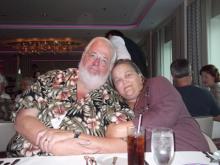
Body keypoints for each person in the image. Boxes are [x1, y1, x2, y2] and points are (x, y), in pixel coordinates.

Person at [7, 37, 134, 157]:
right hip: (25, 159)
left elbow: (128, 145)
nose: (96, 63)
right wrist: (52, 145)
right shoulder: (52, 79)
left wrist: (75, 137)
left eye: (104, 60)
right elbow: (23, 118)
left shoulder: (113, 99)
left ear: (110, 68)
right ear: (83, 56)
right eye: (93, 55)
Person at [106, 59, 209, 151]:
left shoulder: (156, 83)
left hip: (186, 151)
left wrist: (124, 129)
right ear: (116, 89)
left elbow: (165, 115)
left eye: (128, 75)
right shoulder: (121, 110)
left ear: (140, 76)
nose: (124, 81)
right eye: (118, 80)